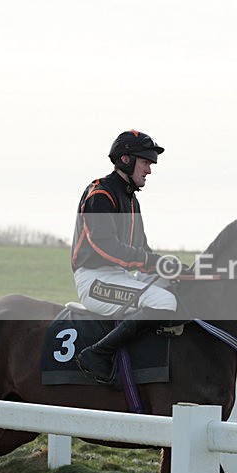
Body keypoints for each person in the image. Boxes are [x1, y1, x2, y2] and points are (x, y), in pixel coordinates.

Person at [71, 129, 179, 384]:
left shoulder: (132, 201)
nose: (150, 170)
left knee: (174, 285)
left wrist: (172, 267)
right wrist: (150, 262)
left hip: (119, 277)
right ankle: (97, 354)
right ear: (126, 160)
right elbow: (105, 246)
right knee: (164, 303)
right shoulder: (100, 194)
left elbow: (142, 250)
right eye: (146, 162)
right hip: (94, 281)